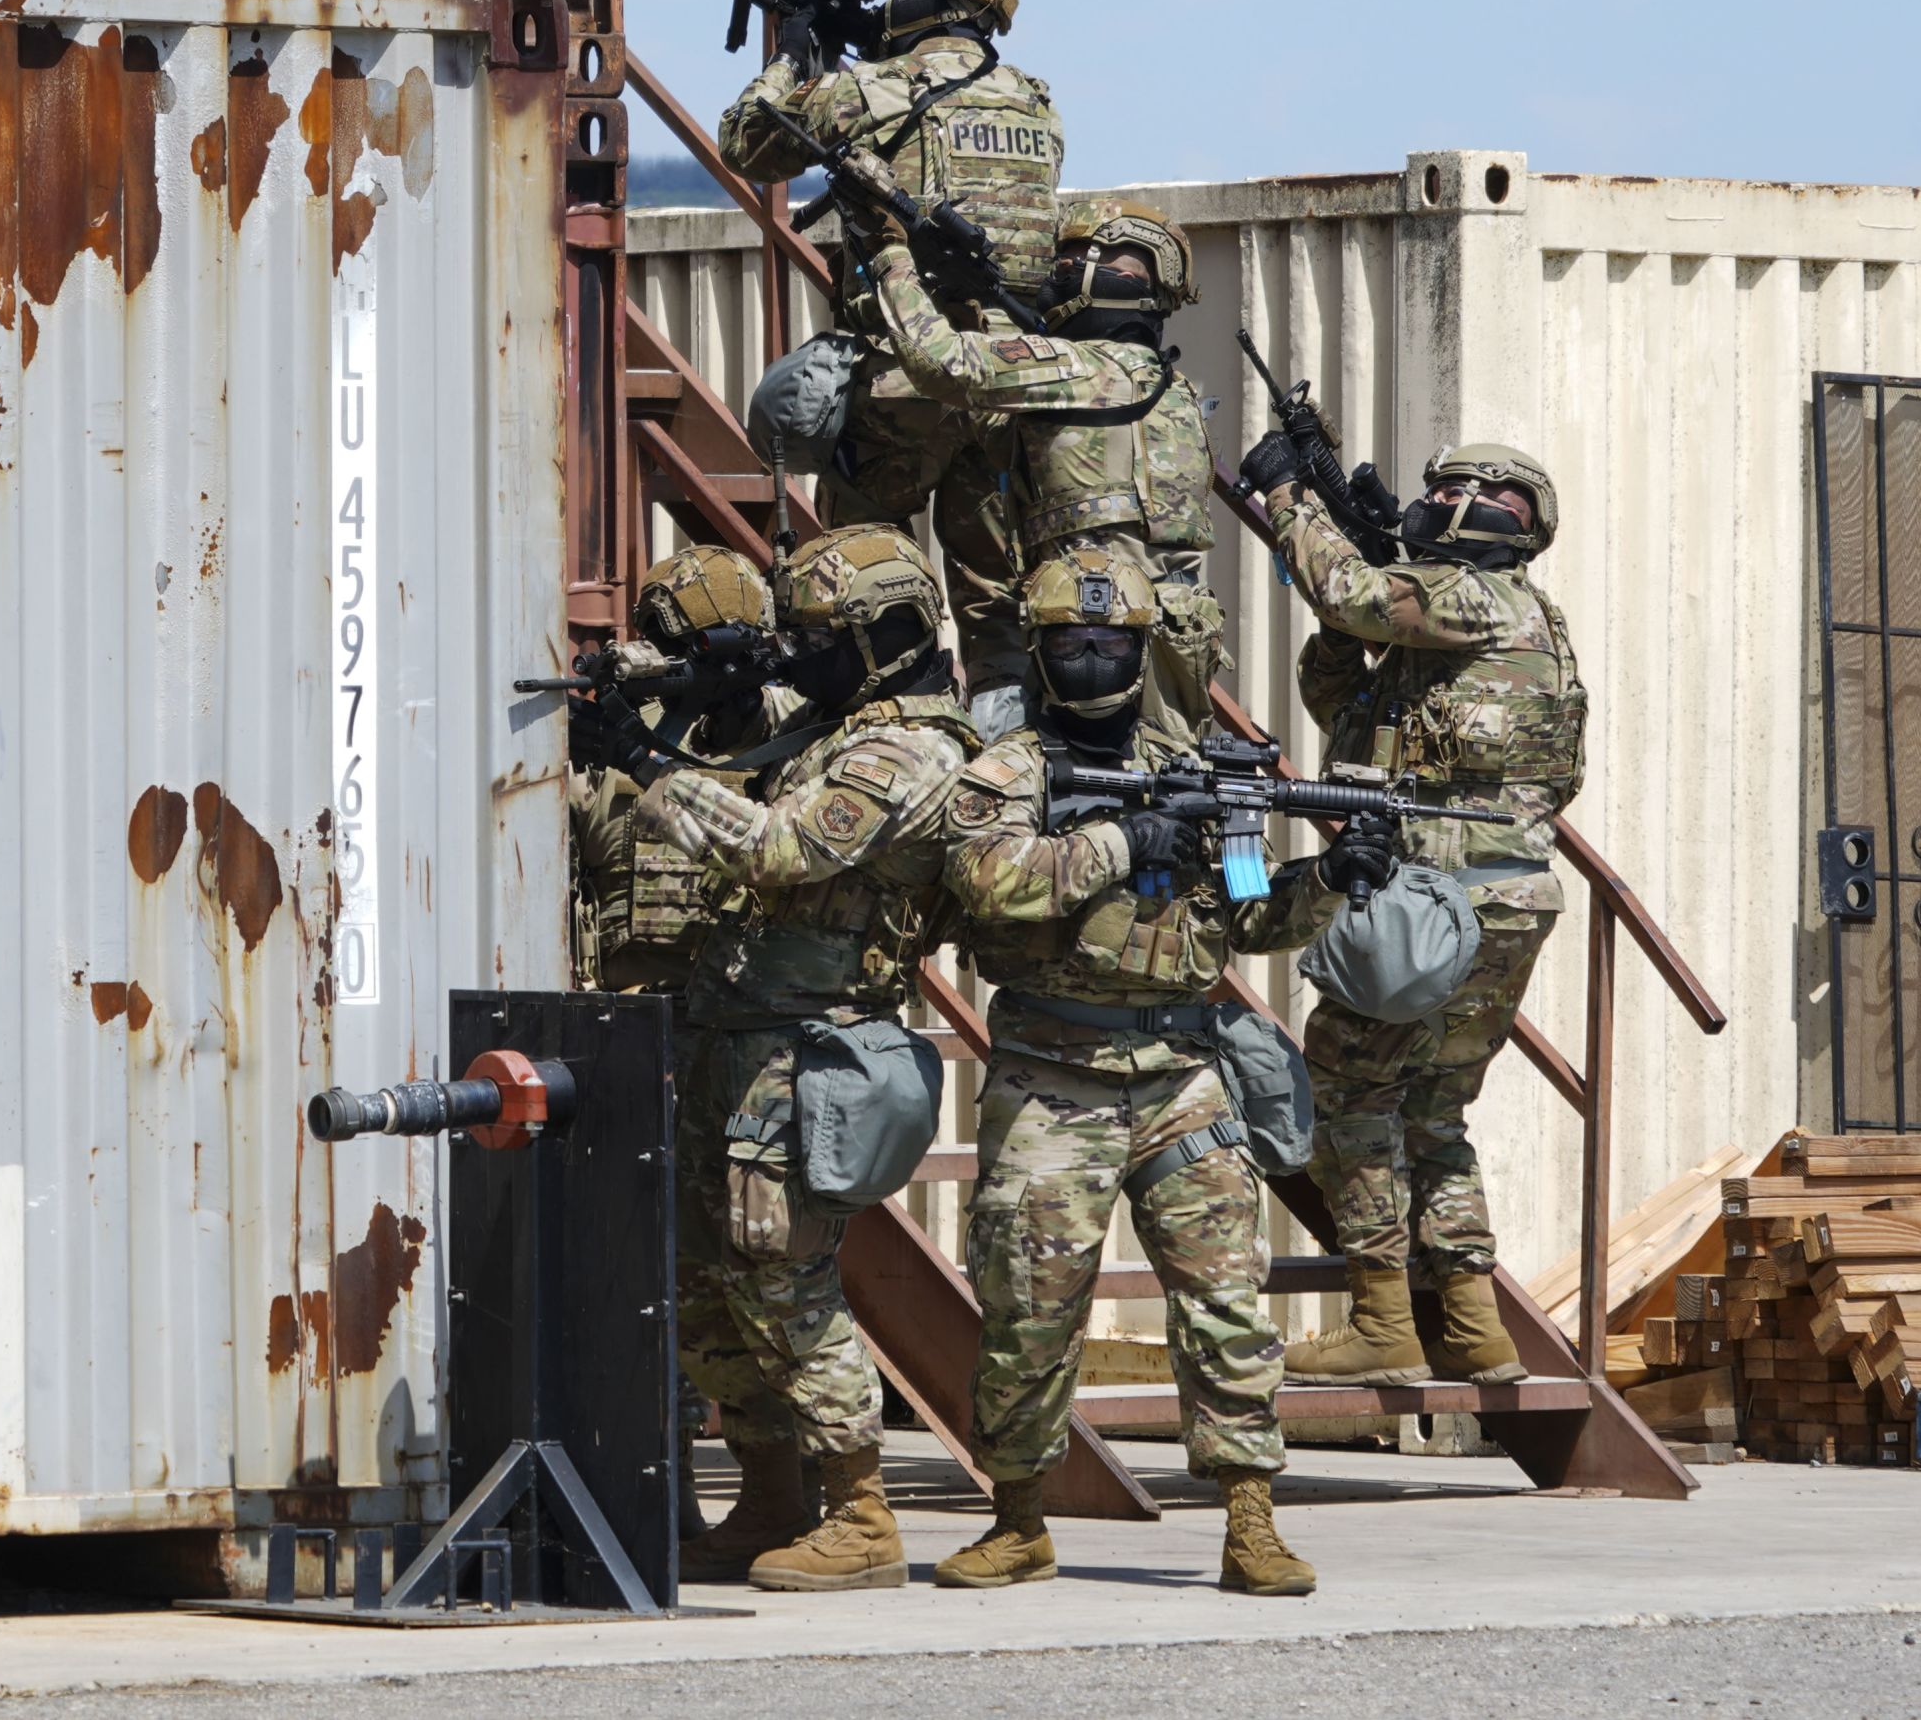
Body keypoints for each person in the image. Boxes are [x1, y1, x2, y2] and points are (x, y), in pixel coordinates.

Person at [935, 556, 1376, 1601]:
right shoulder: (1007, 774)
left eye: (1114, 643)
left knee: (1226, 1300)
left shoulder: (1189, 766)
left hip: (1181, 1071)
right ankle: (1017, 1518)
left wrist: (1329, 877)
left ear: (1142, 652)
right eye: (1072, 643)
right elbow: (988, 882)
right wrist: (1121, 837)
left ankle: (1250, 1519)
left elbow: (1249, 914)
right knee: (1030, 1306)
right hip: (1055, 1072)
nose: (1094, 658)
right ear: (1039, 654)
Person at [618, 526, 979, 1595]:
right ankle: (770, 1489)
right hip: (732, 1030)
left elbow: (784, 848)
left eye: (819, 637)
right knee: (705, 1277)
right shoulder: (833, 726)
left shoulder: (906, 751)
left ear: (886, 638)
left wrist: (645, 767)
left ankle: (860, 1511)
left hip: (805, 1042)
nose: (797, 655)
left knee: (781, 1273)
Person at [1245, 441, 1588, 1390]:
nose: (1451, 503)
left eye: (1470, 493)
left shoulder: (1476, 596)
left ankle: (1383, 1320)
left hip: (1437, 901)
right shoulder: (1519, 617)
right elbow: (1348, 695)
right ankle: (1475, 1327)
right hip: (1505, 900)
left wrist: (1286, 500)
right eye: (1443, 489)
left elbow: (1356, 598)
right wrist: (1361, 550)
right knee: (1436, 1111)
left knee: (1350, 1093)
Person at [714, 0, 1064, 685]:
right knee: (994, 601)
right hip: (1007, 385)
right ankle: (1001, 757)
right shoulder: (1037, 106)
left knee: (866, 587)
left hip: (902, 381)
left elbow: (745, 143)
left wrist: (794, 50)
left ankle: (895, 738)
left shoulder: (871, 92)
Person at [568, 543, 808, 1577]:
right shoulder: (625, 750)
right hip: (631, 1040)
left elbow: (785, 851)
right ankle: (657, 1499)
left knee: (744, 1284)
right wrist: (602, 733)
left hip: (744, 1047)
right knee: (643, 1279)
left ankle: (779, 1492)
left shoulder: (792, 745)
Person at [853, 201, 1223, 737]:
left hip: (1093, 645)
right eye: (1063, 256)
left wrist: (891, 255)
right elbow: (1028, 446)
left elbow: (943, 364)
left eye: (1082, 257)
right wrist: (972, 312)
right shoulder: (1174, 390)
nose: (1064, 270)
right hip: (1169, 643)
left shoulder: (1081, 366)